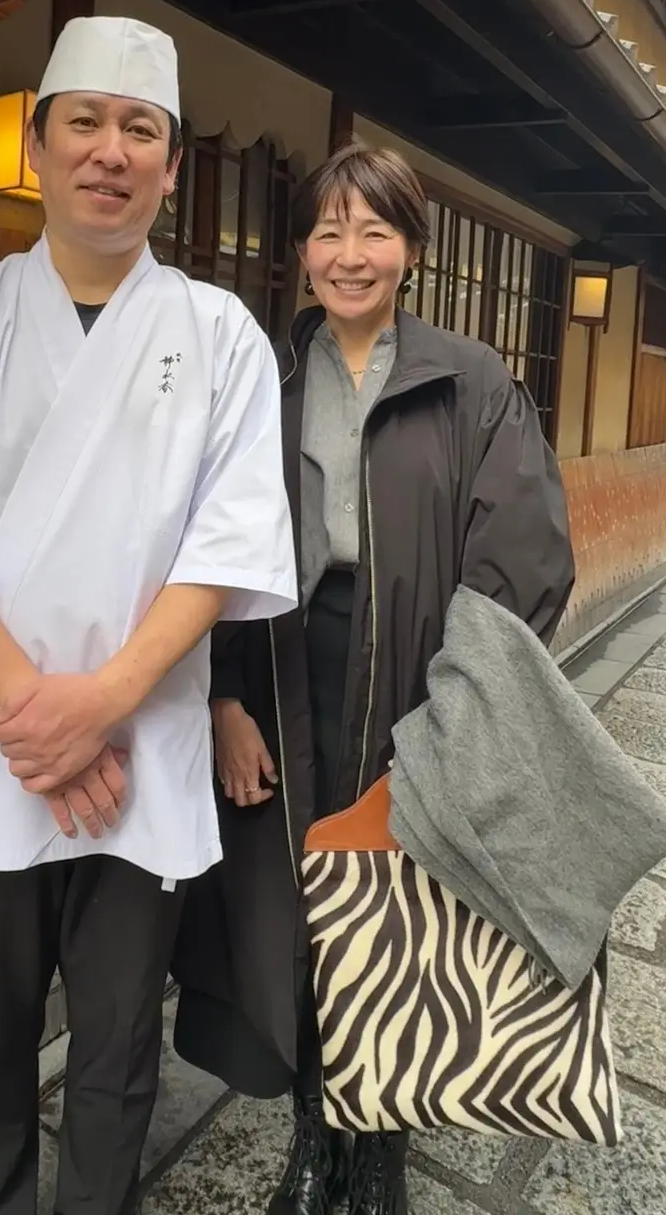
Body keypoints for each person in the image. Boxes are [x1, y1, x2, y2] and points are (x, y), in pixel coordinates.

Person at [0, 15, 296, 1215]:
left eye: (140, 129)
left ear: (169, 164)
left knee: (113, 1060)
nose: (112, 151)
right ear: (38, 146)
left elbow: (228, 546)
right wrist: (41, 718)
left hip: (140, 749)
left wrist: (100, 705)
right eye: (86, 123)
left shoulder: (221, 338)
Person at [171, 143, 575, 1215]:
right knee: (303, 907)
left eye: (375, 230)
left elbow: (521, 559)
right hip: (282, 668)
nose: (349, 255)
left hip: (419, 669)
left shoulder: (470, 380)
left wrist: (456, 718)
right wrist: (220, 699)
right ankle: (315, 1135)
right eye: (328, 230)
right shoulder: (260, 377)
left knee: (400, 915)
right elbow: (195, 549)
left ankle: (379, 1144)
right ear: (300, 248)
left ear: (410, 248)